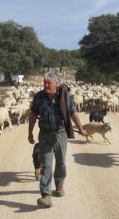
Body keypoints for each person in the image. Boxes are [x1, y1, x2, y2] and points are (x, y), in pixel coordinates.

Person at [28, 72, 87, 208]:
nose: (46, 85)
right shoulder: (38, 97)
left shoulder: (65, 96)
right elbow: (33, 115)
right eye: (44, 82)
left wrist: (81, 129)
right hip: (44, 135)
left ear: (56, 83)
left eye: (49, 82)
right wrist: (30, 132)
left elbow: (72, 113)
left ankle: (59, 184)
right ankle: (46, 196)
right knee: (46, 165)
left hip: (60, 134)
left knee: (60, 162)